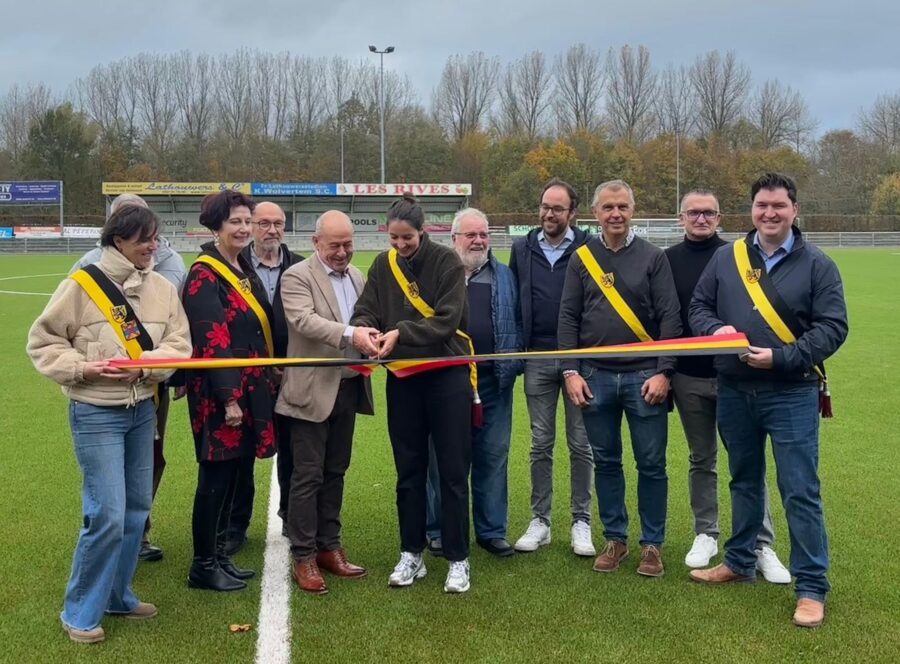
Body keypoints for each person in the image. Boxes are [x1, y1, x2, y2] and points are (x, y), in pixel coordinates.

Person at [688, 173, 849, 628]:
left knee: (800, 489)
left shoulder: (818, 264)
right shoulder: (727, 258)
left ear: (795, 210)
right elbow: (699, 308)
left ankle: (812, 586)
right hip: (735, 389)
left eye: (778, 205)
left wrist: (780, 357)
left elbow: (833, 328)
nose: (769, 213)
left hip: (792, 392)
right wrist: (714, 330)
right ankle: (739, 561)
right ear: (752, 210)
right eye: (761, 205)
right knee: (743, 480)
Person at [27, 205, 190, 643]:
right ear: (118, 239)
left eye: (156, 238)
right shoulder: (80, 285)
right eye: (144, 239)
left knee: (137, 509)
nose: (153, 246)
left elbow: (180, 345)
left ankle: (118, 594)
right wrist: (84, 369)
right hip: (95, 412)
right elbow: (42, 343)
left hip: (141, 411)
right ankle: (79, 610)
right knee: (107, 515)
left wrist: (144, 368)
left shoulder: (162, 288)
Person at [351, 193, 474, 593]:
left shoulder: (447, 262)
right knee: (409, 472)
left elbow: (447, 320)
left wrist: (401, 332)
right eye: (394, 239)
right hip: (403, 378)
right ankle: (411, 553)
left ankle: (458, 558)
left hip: (447, 376)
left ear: (423, 231)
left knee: (453, 473)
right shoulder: (382, 266)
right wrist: (367, 329)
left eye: (407, 238)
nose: (401, 245)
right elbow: (366, 309)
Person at [559, 179, 681, 577]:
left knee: (651, 463)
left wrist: (664, 372)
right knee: (607, 461)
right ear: (596, 212)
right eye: (608, 207)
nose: (616, 214)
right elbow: (568, 318)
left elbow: (669, 318)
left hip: (645, 378)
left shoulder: (653, 257)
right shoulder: (581, 258)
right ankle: (615, 538)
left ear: (633, 210)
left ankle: (652, 545)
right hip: (595, 377)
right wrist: (571, 371)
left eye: (623, 207)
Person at [665, 190, 789, 582]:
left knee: (747, 463)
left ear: (719, 218)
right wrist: (665, 370)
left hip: (737, 377)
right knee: (702, 459)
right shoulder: (666, 260)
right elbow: (668, 317)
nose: (701, 219)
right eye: (694, 213)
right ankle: (707, 532)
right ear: (681, 217)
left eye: (709, 213)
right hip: (689, 376)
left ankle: (761, 543)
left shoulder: (739, 256)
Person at [70, 192, 187, 563]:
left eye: (147, 226)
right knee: (107, 488)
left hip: (152, 387)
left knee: (151, 461)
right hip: (101, 397)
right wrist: (83, 366)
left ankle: (138, 536)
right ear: (115, 230)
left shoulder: (170, 266)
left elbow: (178, 331)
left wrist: (160, 367)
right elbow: (57, 332)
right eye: (126, 219)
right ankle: (104, 546)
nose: (147, 242)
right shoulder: (87, 267)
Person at [181, 190, 280, 592]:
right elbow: (212, 338)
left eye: (246, 221)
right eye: (234, 222)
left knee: (236, 474)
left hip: (250, 388)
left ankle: (220, 555)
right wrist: (229, 398)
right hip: (221, 395)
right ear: (216, 226)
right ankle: (203, 564)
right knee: (215, 478)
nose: (242, 228)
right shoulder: (204, 274)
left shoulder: (239, 267)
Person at [275, 211, 376, 594]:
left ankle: (328, 547)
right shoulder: (296, 277)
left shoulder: (357, 276)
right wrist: (354, 333)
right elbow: (304, 322)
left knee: (336, 471)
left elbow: (367, 319)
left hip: (349, 388)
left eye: (348, 244)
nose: (342, 252)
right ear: (316, 243)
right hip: (310, 392)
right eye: (334, 245)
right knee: (307, 475)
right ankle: (303, 554)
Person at [425, 208, 524, 558]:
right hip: (445, 383)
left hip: (493, 383)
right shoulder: (435, 275)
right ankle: (437, 529)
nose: (479, 241)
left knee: (493, 457)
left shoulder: (506, 276)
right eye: (471, 235)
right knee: (441, 461)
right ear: (454, 239)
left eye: (483, 234)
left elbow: (519, 322)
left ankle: (491, 531)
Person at [509, 177, 595, 557]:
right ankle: (540, 521)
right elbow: (513, 301)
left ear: (572, 214)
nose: (549, 213)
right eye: (545, 206)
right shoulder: (521, 248)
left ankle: (581, 521)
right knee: (540, 443)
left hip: (580, 361)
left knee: (581, 444)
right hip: (537, 358)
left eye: (557, 208)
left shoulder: (590, 249)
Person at [226, 201, 304, 555]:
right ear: (252, 227)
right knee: (241, 452)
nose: (272, 230)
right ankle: (235, 525)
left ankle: (292, 516)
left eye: (279, 223)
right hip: (247, 378)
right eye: (264, 223)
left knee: (294, 449)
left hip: (293, 376)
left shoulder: (301, 266)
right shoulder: (232, 267)